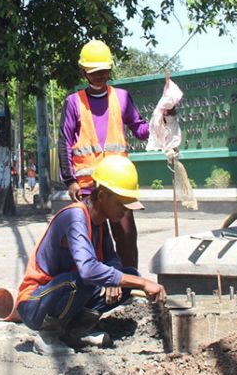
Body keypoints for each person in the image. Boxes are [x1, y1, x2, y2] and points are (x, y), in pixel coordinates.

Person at [16, 156, 167, 355]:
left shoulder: (100, 222)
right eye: (121, 203)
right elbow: (87, 270)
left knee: (127, 275)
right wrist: (142, 283)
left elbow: (112, 259)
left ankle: (74, 332)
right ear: (102, 195)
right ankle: (49, 334)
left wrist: (116, 278)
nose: (124, 211)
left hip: (67, 293)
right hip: (35, 302)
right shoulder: (75, 216)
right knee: (80, 280)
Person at [58, 39, 168, 269]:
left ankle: (131, 287)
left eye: (105, 71)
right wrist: (70, 181)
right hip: (88, 188)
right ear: (83, 72)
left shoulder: (122, 98)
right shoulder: (73, 102)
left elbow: (140, 129)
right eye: (95, 72)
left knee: (127, 240)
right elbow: (64, 143)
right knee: (92, 244)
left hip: (119, 187)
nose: (100, 76)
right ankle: (96, 294)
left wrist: (162, 118)